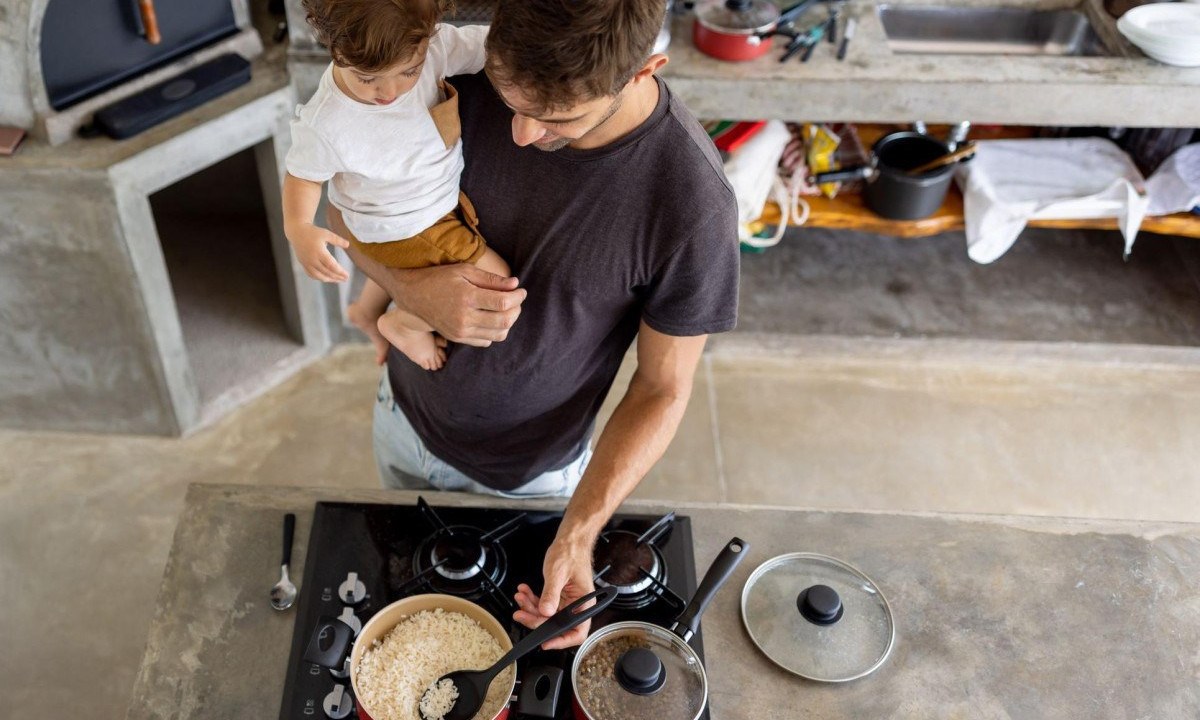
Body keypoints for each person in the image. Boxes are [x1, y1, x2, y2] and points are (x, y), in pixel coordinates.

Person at [345, 0, 741, 649]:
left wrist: (580, 532)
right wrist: (409, 289)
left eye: (557, 118)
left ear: (646, 70)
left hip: (536, 475)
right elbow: (343, 214)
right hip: (403, 423)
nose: (523, 133)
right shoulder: (460, 77)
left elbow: (662, 388)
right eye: (512, 104)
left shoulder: (691, 204)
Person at [282, 0, 509, 371]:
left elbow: (490, 47)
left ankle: (366, 310)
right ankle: (403, 324)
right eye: (367, 79)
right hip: (402, 225)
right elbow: (302, 176)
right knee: (496, 280)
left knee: (420, 268)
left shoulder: (432, 48)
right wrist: (298, 228)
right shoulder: (327, 121)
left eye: (409, 72)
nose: (389, 91)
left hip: (426, 203)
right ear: (335, 49)